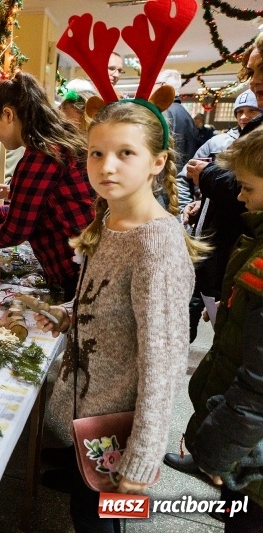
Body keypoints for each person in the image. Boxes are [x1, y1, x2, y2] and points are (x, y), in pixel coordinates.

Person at [36, 98, 205, 533]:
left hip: (119, 431)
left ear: (157, 162)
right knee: (83, 508)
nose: (106, 166)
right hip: (91, 418)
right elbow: (103, 300)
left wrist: (143, 457)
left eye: (125, 153)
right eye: (97, 153)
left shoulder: (156, 247)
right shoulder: (110, 220)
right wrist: (66, 313)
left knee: (99, 521)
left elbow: (163, 365)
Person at [0, 72, 94, 301]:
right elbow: (28, 213)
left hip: (76, 274)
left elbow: (15, 230)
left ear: (8, 114)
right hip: (83, 268)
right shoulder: (51, 146)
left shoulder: (40, 157)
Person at [187, 127, 263, 532]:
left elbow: (257, 386)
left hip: (249, 449)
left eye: (247, 187)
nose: (239, 196)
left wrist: (215, 452)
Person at [178, 89, 261, 342]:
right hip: (207, 241)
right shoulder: (218, 142)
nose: (244, 116)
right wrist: (196, 203)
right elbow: (186, 176)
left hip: (230, 249)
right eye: (239, 111)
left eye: (251, 110)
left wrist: (208, 176)